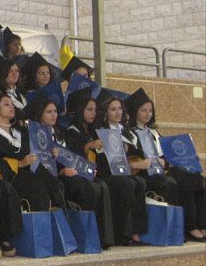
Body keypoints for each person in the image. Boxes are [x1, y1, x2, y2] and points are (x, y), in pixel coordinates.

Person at [124, 88, 205, 242]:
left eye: (150, 110)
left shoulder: (154, 133)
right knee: (179, 180)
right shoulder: (129, 134)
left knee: (198, 178)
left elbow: (168, 157)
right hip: (144, 173)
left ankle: (200, 225)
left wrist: (169, 162)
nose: (147, 114)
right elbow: (130, 159)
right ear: (135, 111)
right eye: (143, 110)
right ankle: (189, 226)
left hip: (161, 170)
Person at [0, 94, 65, 213]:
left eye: (12, 104)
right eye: (6, 104)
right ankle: (39, 223)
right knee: (37, 184)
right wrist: (19, 163)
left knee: (55, 183)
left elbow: (36, 152)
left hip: (29, 171)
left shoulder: (21, 131)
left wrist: (50, 153)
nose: (12, 107)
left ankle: (60, 220)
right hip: (9, 177)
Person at [92, 93, 149, 246]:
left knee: (140, 182)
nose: (117, 112)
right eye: (113, 109)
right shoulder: (100, 131)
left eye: (119, 109)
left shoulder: (126, 131)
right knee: (126, 185)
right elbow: (100, 161)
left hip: (124, 172)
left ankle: (136, 231)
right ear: (105, 113)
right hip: (107, 173)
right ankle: (120, 233)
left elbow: (135, 155)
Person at [62, 88, 115, 248]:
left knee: (103, 186)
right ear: (81, 110)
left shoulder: (91, 131)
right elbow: (73, 158)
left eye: (95, 110)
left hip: (90, 173)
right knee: (91, 188)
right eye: (89, 109)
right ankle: (88, 236)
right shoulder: (72, 132)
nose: (93, 113)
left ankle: (103, 237)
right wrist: (87, 146)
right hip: (74, 174)